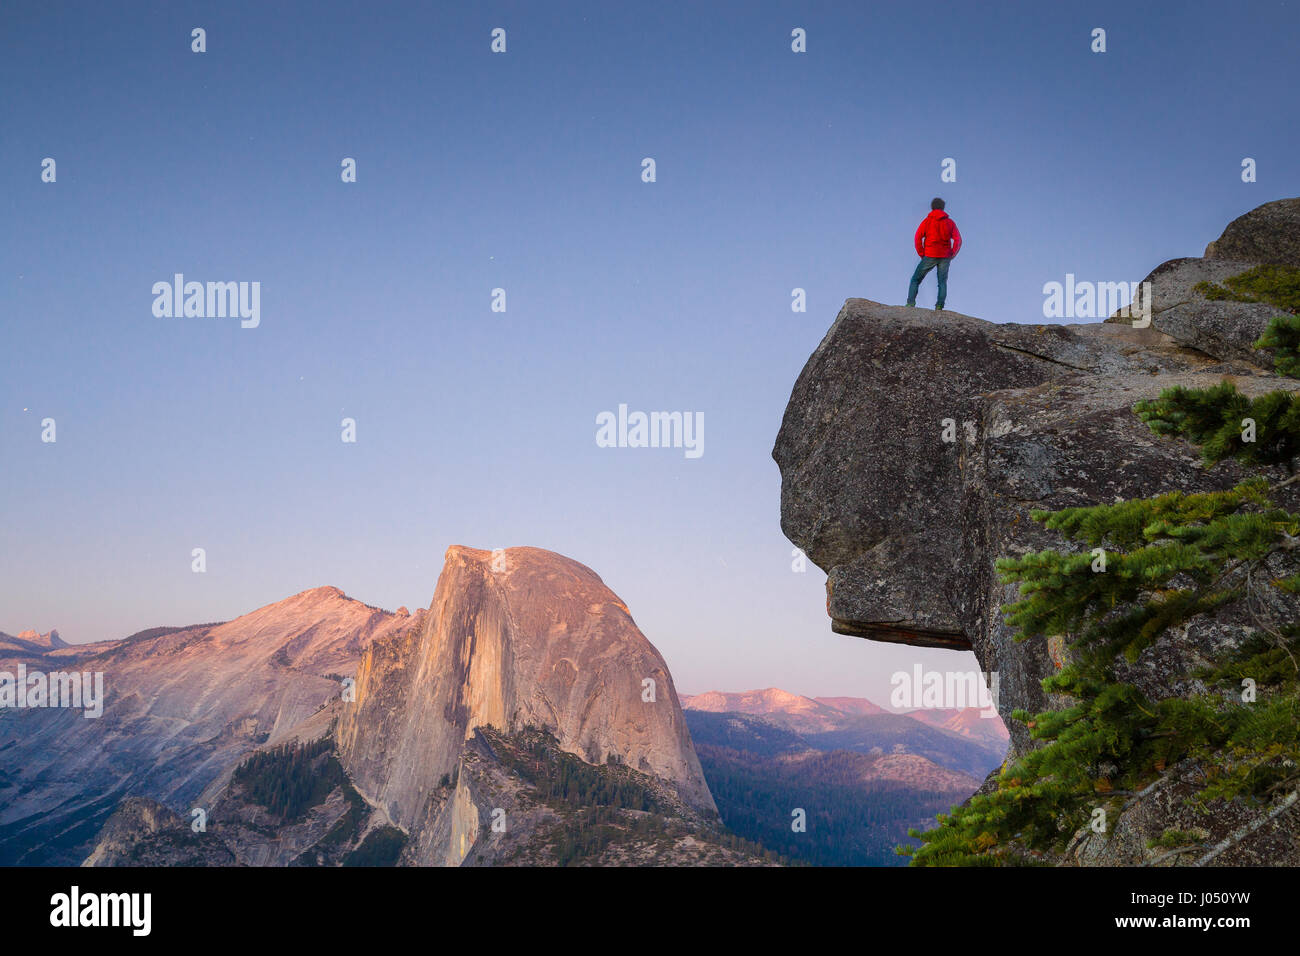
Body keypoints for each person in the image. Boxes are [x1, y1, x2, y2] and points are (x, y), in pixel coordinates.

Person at [907, 198, 962, 310]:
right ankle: (939, 305)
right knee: (942, 282)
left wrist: (922, 253)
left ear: (932, 207)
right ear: (943, 207)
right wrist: (952, 253)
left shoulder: (927, 221)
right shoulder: (949, 222)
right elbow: (958, 240)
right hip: (945, 256)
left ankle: (910, 303)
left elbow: (918, 237)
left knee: (915, 279)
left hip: (930, 254)